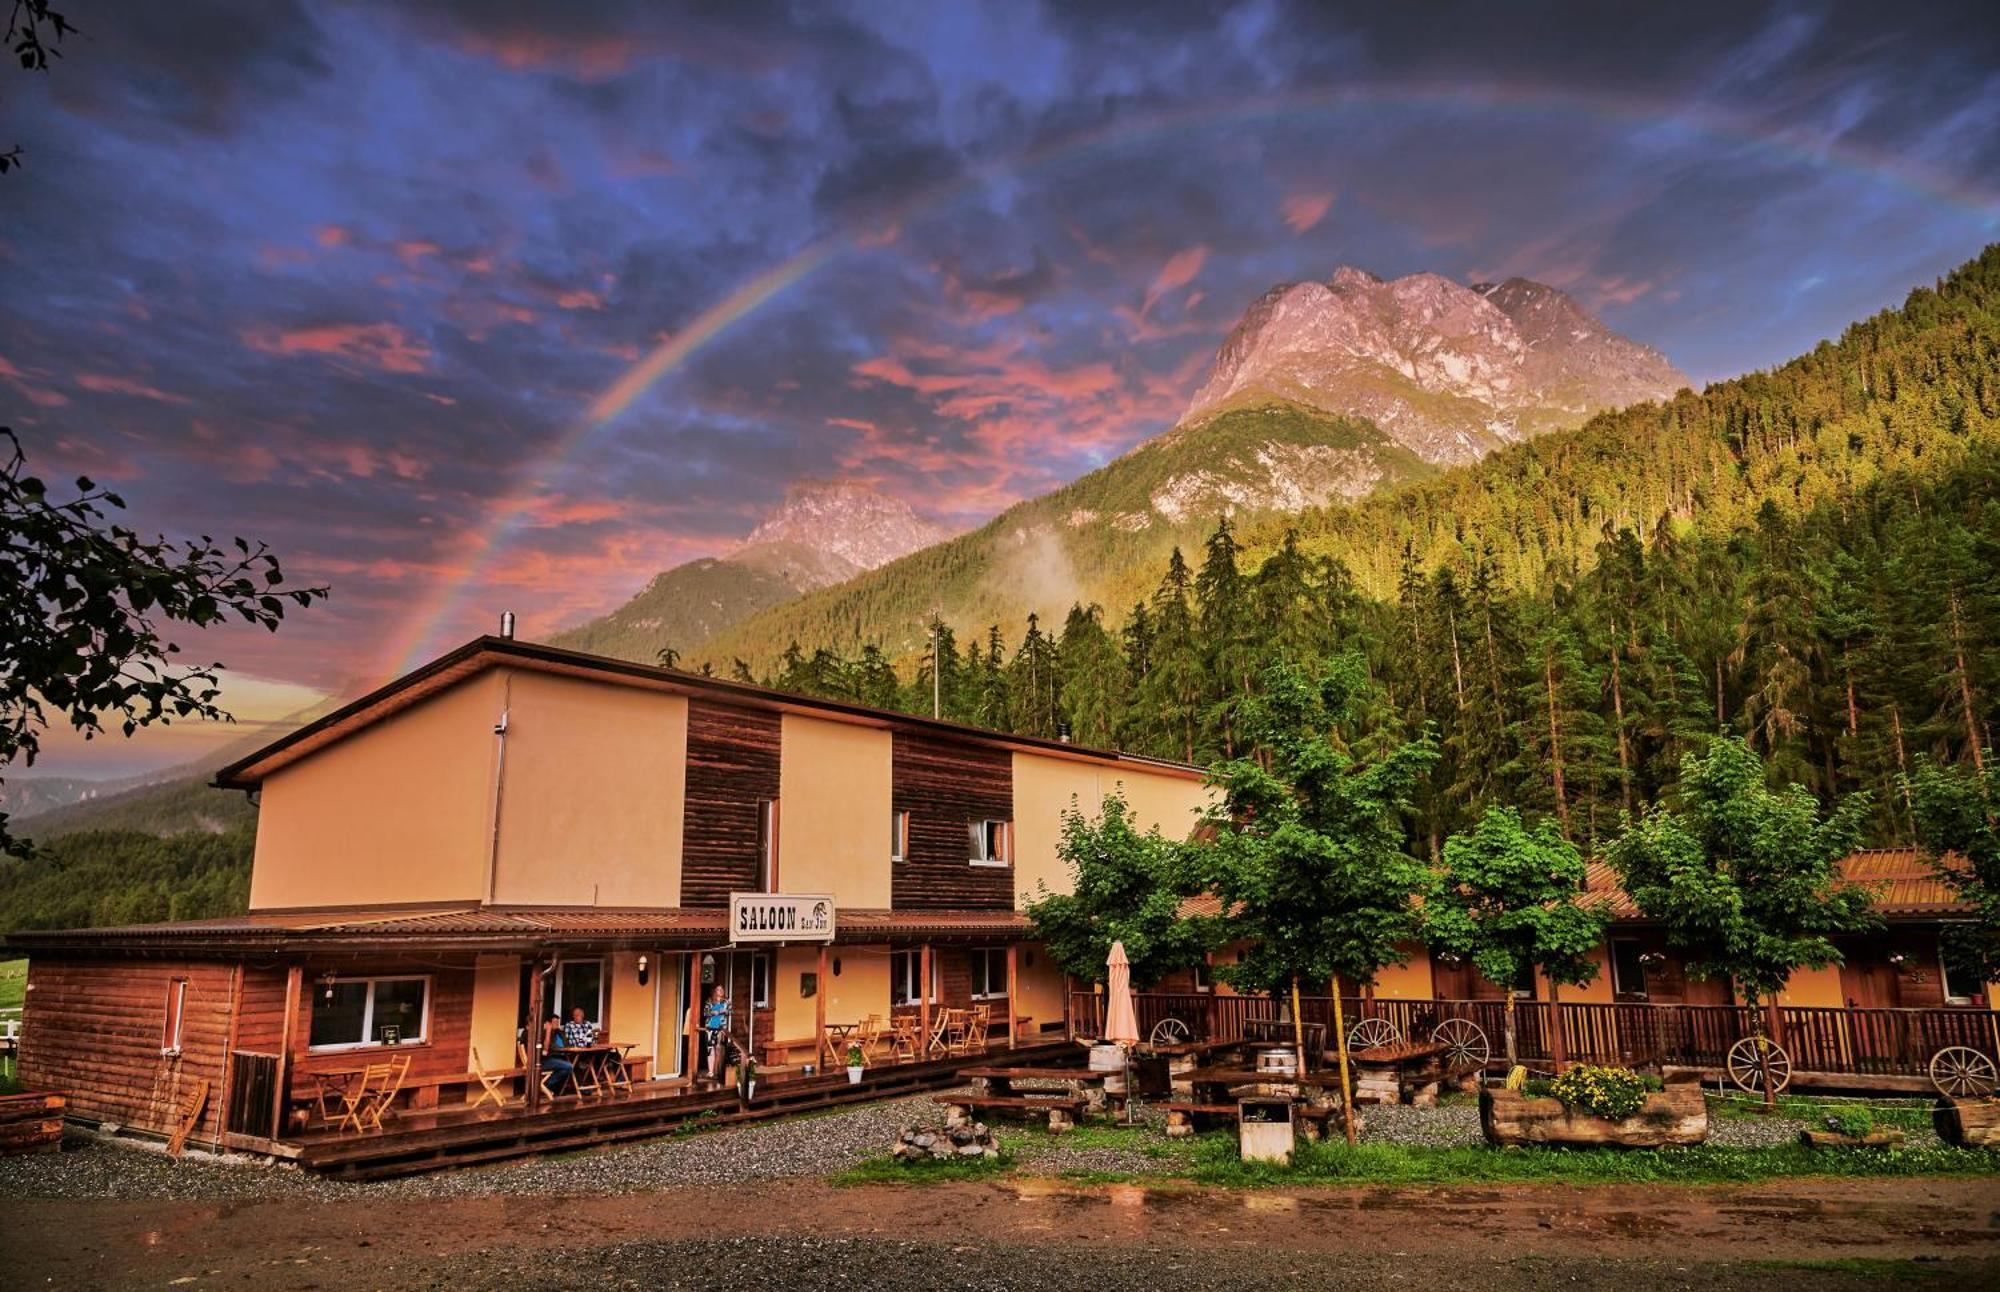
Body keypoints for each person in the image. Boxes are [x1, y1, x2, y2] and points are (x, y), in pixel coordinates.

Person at [701, 984, 741, 1084]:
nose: (720, 991)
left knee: (719, 1050)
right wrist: (716, 1012)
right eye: (718, 989)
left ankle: (717, 1072)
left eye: (722, 989)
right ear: (715, 991)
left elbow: (731, 1011)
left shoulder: (726, 1001)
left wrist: (723, 1010)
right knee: (710, 1051)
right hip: (710, 1028)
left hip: (721, 1029)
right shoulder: (709, 1001)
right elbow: (705, 1013)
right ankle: (710, 1072)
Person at [537, 1013, 574, 1095]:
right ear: (548, 1024)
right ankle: (546, 1085)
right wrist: (548, 1031)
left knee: (575, 1064)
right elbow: (545, 1051)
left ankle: (574, 1088)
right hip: (547, 1060)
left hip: (563, 1056)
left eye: (558, 1022)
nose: (557, 1025)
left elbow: (568, 1044)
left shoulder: (560, 1033)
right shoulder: (544, 1034)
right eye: (555, 1022)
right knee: (568, 1066)